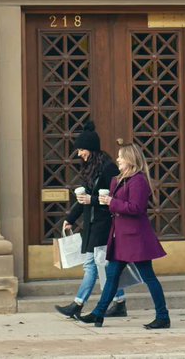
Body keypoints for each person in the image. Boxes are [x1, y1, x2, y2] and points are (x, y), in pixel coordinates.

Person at [79, 141, 171, 329]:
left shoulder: (139, 180)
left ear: (130, 158)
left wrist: (111, 202)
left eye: (121, 156)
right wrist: (106, 201)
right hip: (120, 238)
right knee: (112, 277)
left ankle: (163, 316)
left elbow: (136, 208)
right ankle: (98, 313)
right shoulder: (119, 179)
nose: (118, 159)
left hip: (136, 239)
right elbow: (117, 206)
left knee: (148, 277)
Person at [54, 122, 127, 319]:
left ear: (91, 149)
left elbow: (116, 197)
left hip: (103, 224)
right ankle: (119, 302)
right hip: (91, 225)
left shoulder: (108, 168)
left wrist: (91, 200)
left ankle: (78, 304)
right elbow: (84, 198)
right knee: (101, 265)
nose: (79, 154)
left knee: (92, 265)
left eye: (81, 150)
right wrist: (70, 218)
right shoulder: (91, 168)